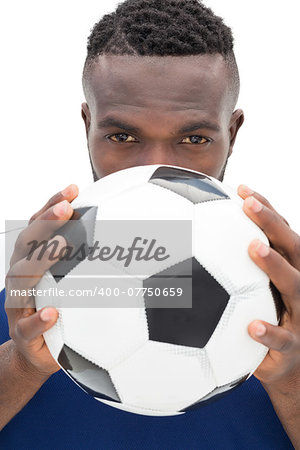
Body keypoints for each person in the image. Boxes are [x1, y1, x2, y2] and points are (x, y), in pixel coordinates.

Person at [1, 0, 299, 448]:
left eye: (194, 139)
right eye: (122, 137)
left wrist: (293, 379)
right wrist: (23, 365)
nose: (156, 166)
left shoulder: (288, 305)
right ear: (89, 125)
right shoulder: (29, 296)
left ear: (232, 133)